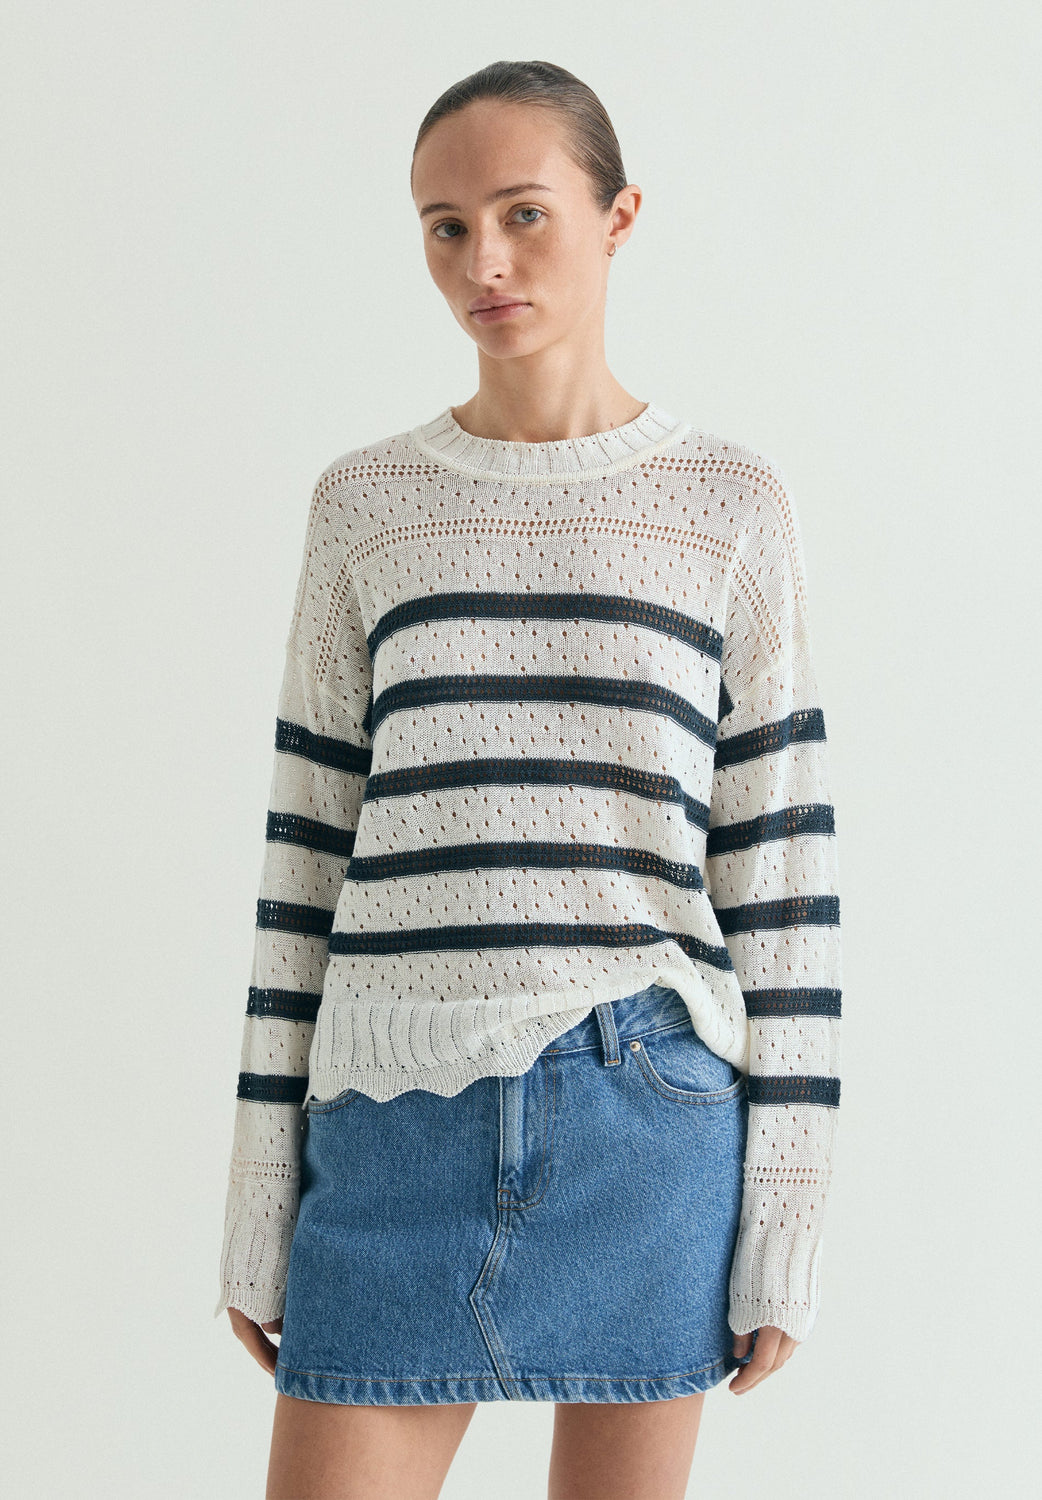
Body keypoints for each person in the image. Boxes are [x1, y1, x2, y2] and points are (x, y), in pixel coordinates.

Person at [215, 59, 843, 1500]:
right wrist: (258, 1198)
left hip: (647, 1118)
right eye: (445, 227)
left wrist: (788, 1214)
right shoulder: (364, 506)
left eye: (523, 214)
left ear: (618, 218)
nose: (482, 263)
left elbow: (780, 877)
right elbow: (305, 860)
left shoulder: (729, 504)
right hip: (388, 1120)